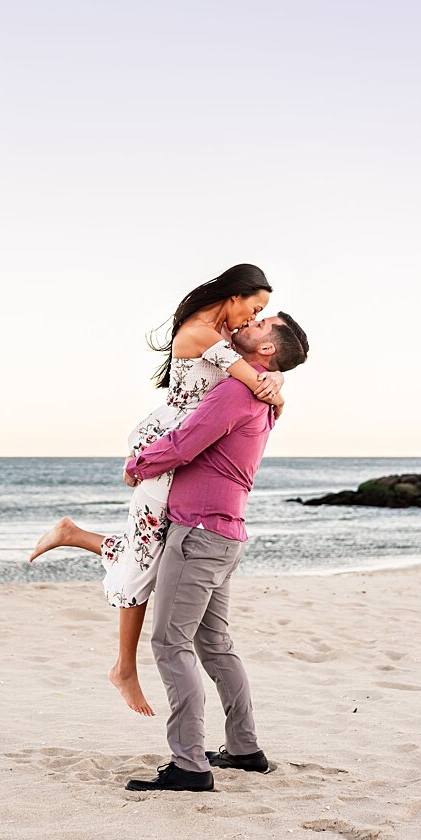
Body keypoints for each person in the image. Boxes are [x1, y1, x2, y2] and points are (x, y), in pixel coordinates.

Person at [30, 264, 285, 717]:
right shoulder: (202, 332)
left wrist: (277, 377)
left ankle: (72, 535)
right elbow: (253, 380)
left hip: (172, 449)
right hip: (164, 449)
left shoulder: (221, 332)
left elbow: (258, 372)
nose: (253, 316)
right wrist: (277, 387)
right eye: (255, 306)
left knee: (152, 552)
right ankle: (124, 667)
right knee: (145, 559)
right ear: (235, 293)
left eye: (261, 314)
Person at [121, 311, 310, 792]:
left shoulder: (237, 391)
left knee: (169, 643)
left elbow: (185, 444)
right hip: (225, 533)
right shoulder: (264, 395)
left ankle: (189, 765)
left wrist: (138, 464)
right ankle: (245, 749)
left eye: (264, 323)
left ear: (266, 348)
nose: (254, 320)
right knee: (214, 644)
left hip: (200, 531)